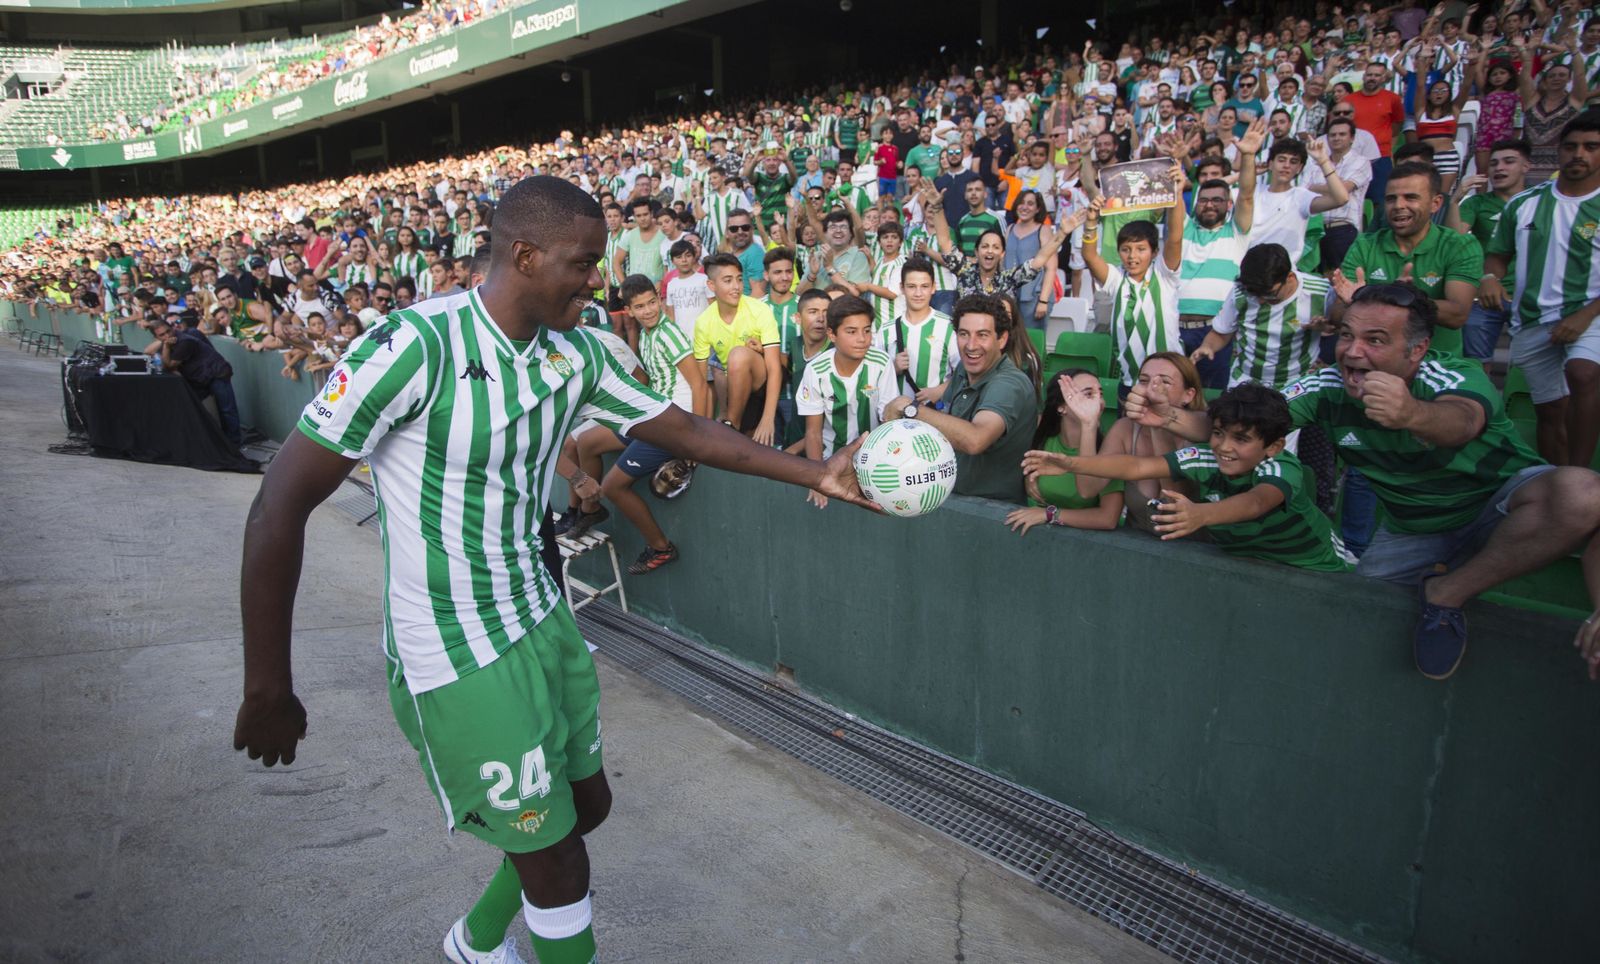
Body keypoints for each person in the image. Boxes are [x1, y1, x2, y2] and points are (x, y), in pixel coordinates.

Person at [232, 177, 875, 964]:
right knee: (559, 860)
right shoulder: (412, 347)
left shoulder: (571, 355)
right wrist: (267, 683)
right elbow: (276, 509)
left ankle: (473, 944)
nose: (599, 280)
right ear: (526, 255)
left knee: (584, 807)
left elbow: (687, 431)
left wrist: (815, 474)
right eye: (585, 262)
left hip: (540, 617)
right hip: (455, 646)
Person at [1129, 282, 1600, 681]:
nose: (1354, 351)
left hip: (1499, 505)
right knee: (1355, 618)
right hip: (1414, 529)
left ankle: (1447, 593)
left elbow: (1462, 420)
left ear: (1417, 350)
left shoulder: (1452, 374)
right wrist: (1167, 414)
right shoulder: (1327, 385)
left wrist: (1411, 413)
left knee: (1582, 493)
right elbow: (1241, 426)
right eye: (1347, 335)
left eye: (1376, 340)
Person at [1024, 382, 1353, 571]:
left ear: (1273, 445)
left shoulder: (1281, 467)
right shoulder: (1206, 457)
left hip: (1321, 569)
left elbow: (1255, 502)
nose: (1224, 447)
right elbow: (1137, 467)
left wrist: (1200, 514)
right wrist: (1071, 464)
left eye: (1241, 439)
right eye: (1219, 433)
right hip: (1256, 568)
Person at [1483, 112, 1600, 467]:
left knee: (1583, 373)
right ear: (1557, 151)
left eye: (1591, 147)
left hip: (1590, 313)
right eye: (1571, 146)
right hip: (1531, 320)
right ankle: (1559, 482)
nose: (1579, 154)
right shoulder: (1523, 204)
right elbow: (1498, 257)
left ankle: (1582, 480)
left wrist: (1585, 315)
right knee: (1550, 413)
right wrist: (1489, 279)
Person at [883, 293, 1040, 503]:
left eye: (982, 335)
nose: (971, 345)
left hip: (992, 510)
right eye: (964, 334)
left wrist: (910, 409)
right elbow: (944, 420)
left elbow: (976, 440)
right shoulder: (963, 369)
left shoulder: (1009, 384)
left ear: (1002, 339)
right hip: (950, 497)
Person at [602, 275, 710, 573]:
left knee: (612, 487)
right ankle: (586, 511)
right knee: (586, 442)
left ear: (660, 300)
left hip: (673, 427)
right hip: (651, 418)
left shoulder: (668, 334)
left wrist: (697, 441)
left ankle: (661, 548)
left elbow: (700, 386)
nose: (649, 310)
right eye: (641, 306)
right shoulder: (648, 333)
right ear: (630, 311)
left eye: (653, 302)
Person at [1333, 161, 1483, 357]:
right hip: (1372, 363)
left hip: (1438, 365)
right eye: (1391, 199)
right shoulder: (1365, 244)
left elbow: (1457, 314)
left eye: (1410, 197)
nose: (1398, 205)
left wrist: (1376, 298)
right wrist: (1396, 297)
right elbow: (1336, 315)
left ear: (1435, 203)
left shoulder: (1460, 245)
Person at [1080, 162, 1187, 387]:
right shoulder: (1117, 279)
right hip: (1130, 382)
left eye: (1140, 249)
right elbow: (1090, 256)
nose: (1132, 256)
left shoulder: (1164, 275)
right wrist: (1091, 222)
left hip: (1169, 381)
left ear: (1154, 251)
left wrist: (1176, 195)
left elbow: (1175, 236)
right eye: (1126, 250)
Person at [1178, 123, 1263, 389]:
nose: (1210, 204)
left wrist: (1247, 155)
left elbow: (1247, 196)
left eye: (1217, 200)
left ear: (1228, 204)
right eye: (1204, 200)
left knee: (1212, 399)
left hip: (1217, 332)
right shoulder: (1184, 228)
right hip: (1175, 329)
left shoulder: (1237, 232)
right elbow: (1172, 198)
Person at [796, 294, 897, 506]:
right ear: (832, 334)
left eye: (867, 330)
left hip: (874, 464)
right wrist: (818, 479)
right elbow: (813, 432)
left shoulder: (881, 362)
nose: (862, 338)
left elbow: (889, 419)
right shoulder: (816, 371)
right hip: (831, 462)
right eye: (851, 332)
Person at [1192, 243, 1331, 389]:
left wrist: (1329, 326)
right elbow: (1221, 333)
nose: (1260, 300)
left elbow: (1341, 327)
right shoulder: (1240, 292)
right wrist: (1207, 346)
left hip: (1296, 382)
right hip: (1246, 379)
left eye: (1269, 293)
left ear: (1289, 277)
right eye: (1254, 294)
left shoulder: (1320, 292)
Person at [1003, 370, 1124, 534]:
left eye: (1100, 393)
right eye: (1088, 394)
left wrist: (1049, 514)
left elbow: (1107, 518)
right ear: (1061, 406)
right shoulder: (1040, 435)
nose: (1099, 401)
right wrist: (1026, 478)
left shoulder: (1109, 448)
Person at [1445, 138, 1531, 361]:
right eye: (1493, 164)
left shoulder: (1538, 202)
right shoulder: (1477, 203)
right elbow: (1455, 240)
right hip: (1484, 294)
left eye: (1508, 161)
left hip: (1529, 295)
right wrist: (1455, 202)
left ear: (1526, 166)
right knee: (1476, 363)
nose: (1499, 168)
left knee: (1529, 363)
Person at [691, 252, 782, 443]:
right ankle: (729, 422)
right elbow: (700, 383)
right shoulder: (703, 322)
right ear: (711, 285)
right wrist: (698, 429)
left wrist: (767, 419)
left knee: (738, 355)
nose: (736, 287)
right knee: (719, 367)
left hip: (761, 381)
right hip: (733, 383)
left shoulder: (759, 310)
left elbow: (774, 368)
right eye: (727, 280)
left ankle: (731, 425)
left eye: (739, 280)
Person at [151, 313, 242, 448]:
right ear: (156, 337)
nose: (167, 336)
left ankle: (235, 444)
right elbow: (162, 362)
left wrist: (165, 347)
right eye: (162, 335)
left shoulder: (185, 340)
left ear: (173, 328)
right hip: (201, 378)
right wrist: (165, 347)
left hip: (216, 373)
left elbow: (169, 365)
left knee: (227, 409)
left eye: (168, 331)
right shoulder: (170, 343)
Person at [876, 257, 958, 403]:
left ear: (933, 288)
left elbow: (963, 374)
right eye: (912, 286)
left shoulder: (949, 327)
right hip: (896, 420)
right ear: (902, 288)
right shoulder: (886, 330)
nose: (918, 293)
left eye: (924, 286)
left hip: (936, 418)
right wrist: (893, 368)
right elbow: (873, 377)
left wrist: (938, 391)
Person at [1345, 61, 1407, 228]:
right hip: (1353, 157)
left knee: (1382, 200)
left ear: (1384, 78)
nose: (1372, 78)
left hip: (1381, 156)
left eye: (1377, 75)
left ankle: (1381, 233)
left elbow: (1396, 126)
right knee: (1350, 197)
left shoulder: (1392, 99)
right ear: (1364, 76)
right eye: (1370, 74)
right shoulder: (1349, 100)